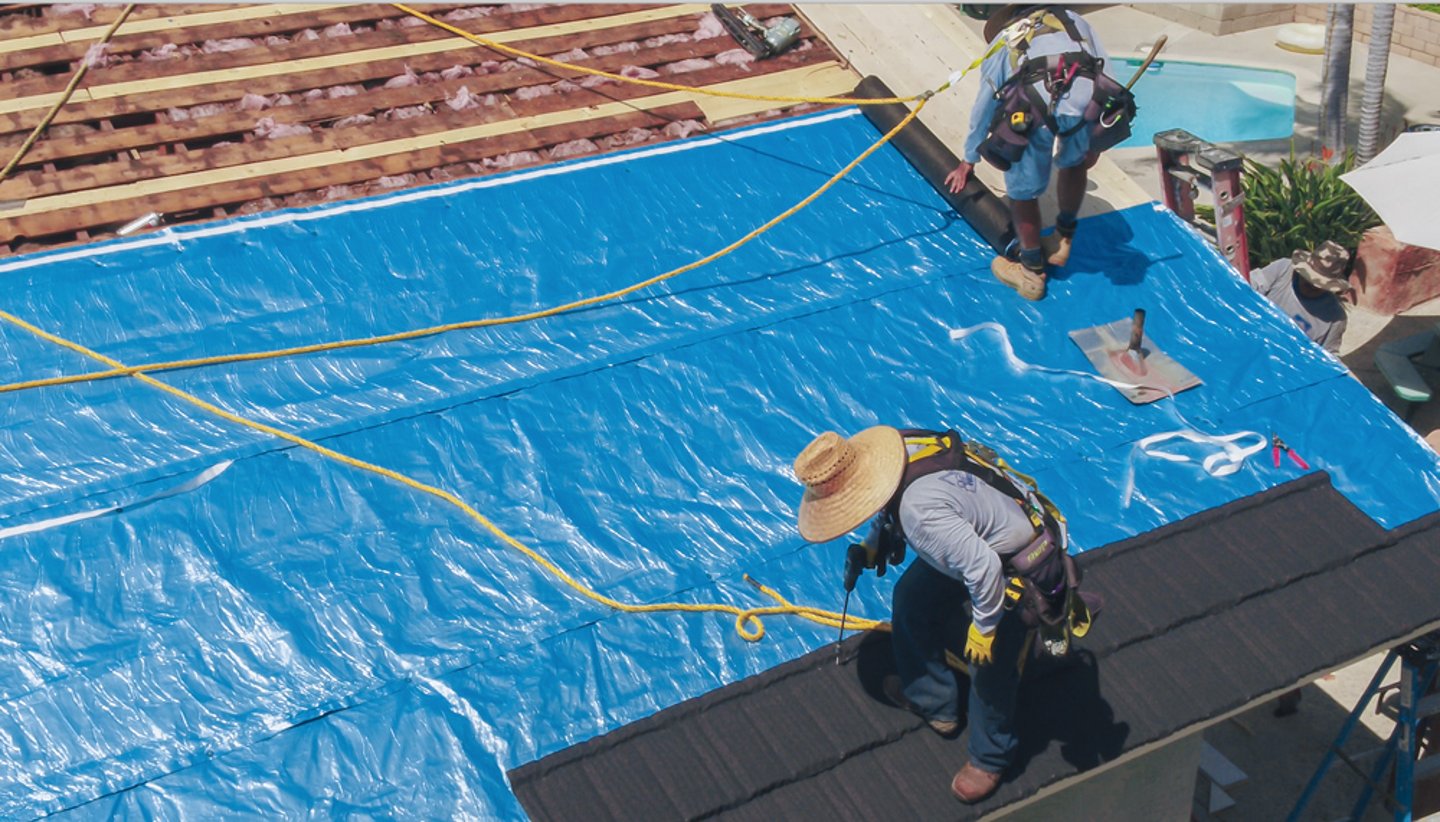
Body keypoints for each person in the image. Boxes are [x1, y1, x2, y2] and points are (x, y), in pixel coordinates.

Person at [792, 426, 1082, 804]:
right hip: (971, 538)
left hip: (1012, 564)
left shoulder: (922, 514)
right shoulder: (898, 459)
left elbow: (983, 570)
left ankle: (990, 755)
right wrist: (870, 548)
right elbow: (887, 509)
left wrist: (985, 628)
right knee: (910, 598)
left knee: (990, 664)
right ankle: (934, 703)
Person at [944, 5, 1121, 301]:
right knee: (1074, 162)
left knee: (1023, 192)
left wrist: (968, 160)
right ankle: (1063, 237)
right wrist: (1097, 137)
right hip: (1087, 97)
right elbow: (1107, 75)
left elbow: (983, 108)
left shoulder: (1004, 40)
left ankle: (1031, 271)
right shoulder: (1072, 21)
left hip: (1036, 104)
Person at [1249, 239, 1351, 355]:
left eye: (1318, 285)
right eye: (1308, 280)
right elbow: (1248, 286)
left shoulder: (1335, 318)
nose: (1311, 286)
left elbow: (1327, 359)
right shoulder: (1283, 269)